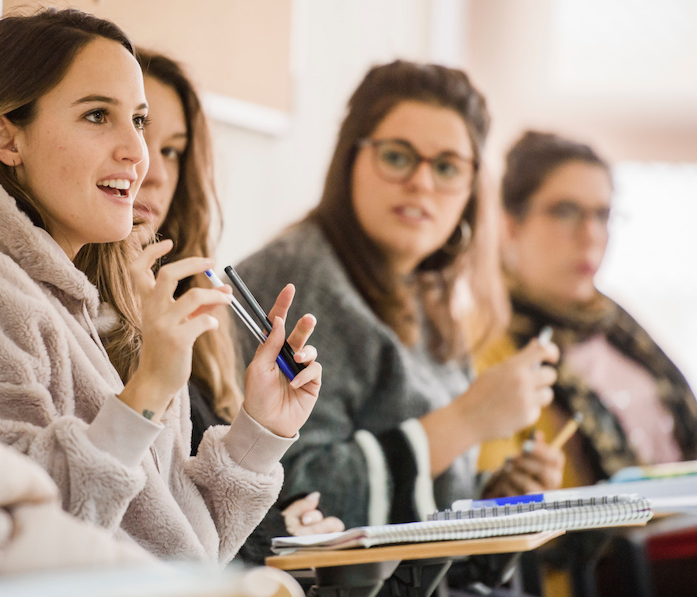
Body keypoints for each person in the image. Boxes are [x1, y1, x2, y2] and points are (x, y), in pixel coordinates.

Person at [0, 9, 322, 564]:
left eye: (137, 120)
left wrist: (259, 431)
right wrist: (147, 391)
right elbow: (17, 539)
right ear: (6, 138)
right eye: (97, 116)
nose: (137, 154)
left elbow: (177, 541)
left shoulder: (84, 308)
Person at [233, 60, 564, 533]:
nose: (422, 183)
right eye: (397, 157)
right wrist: (466, 421)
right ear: (350, 160)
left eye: (448, 167)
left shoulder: (424, 288)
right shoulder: (295, 282)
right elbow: (289, 502)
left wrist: (493, 497)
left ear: (471, 188)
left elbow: (419, 514)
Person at [115, 49, 345, 564]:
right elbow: (139, 519)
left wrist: (289, 517)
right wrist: (273, 538)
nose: (150, 171)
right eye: (134, 130)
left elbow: (205, 500)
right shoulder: (82, 313)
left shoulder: (194, 299)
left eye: (172, 150)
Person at [477, 131, 697, 487]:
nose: (591, 234)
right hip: (591, 541)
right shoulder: (484, 343)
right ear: (510, 225)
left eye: (602, 215)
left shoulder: (618, 326)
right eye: (566, 212)